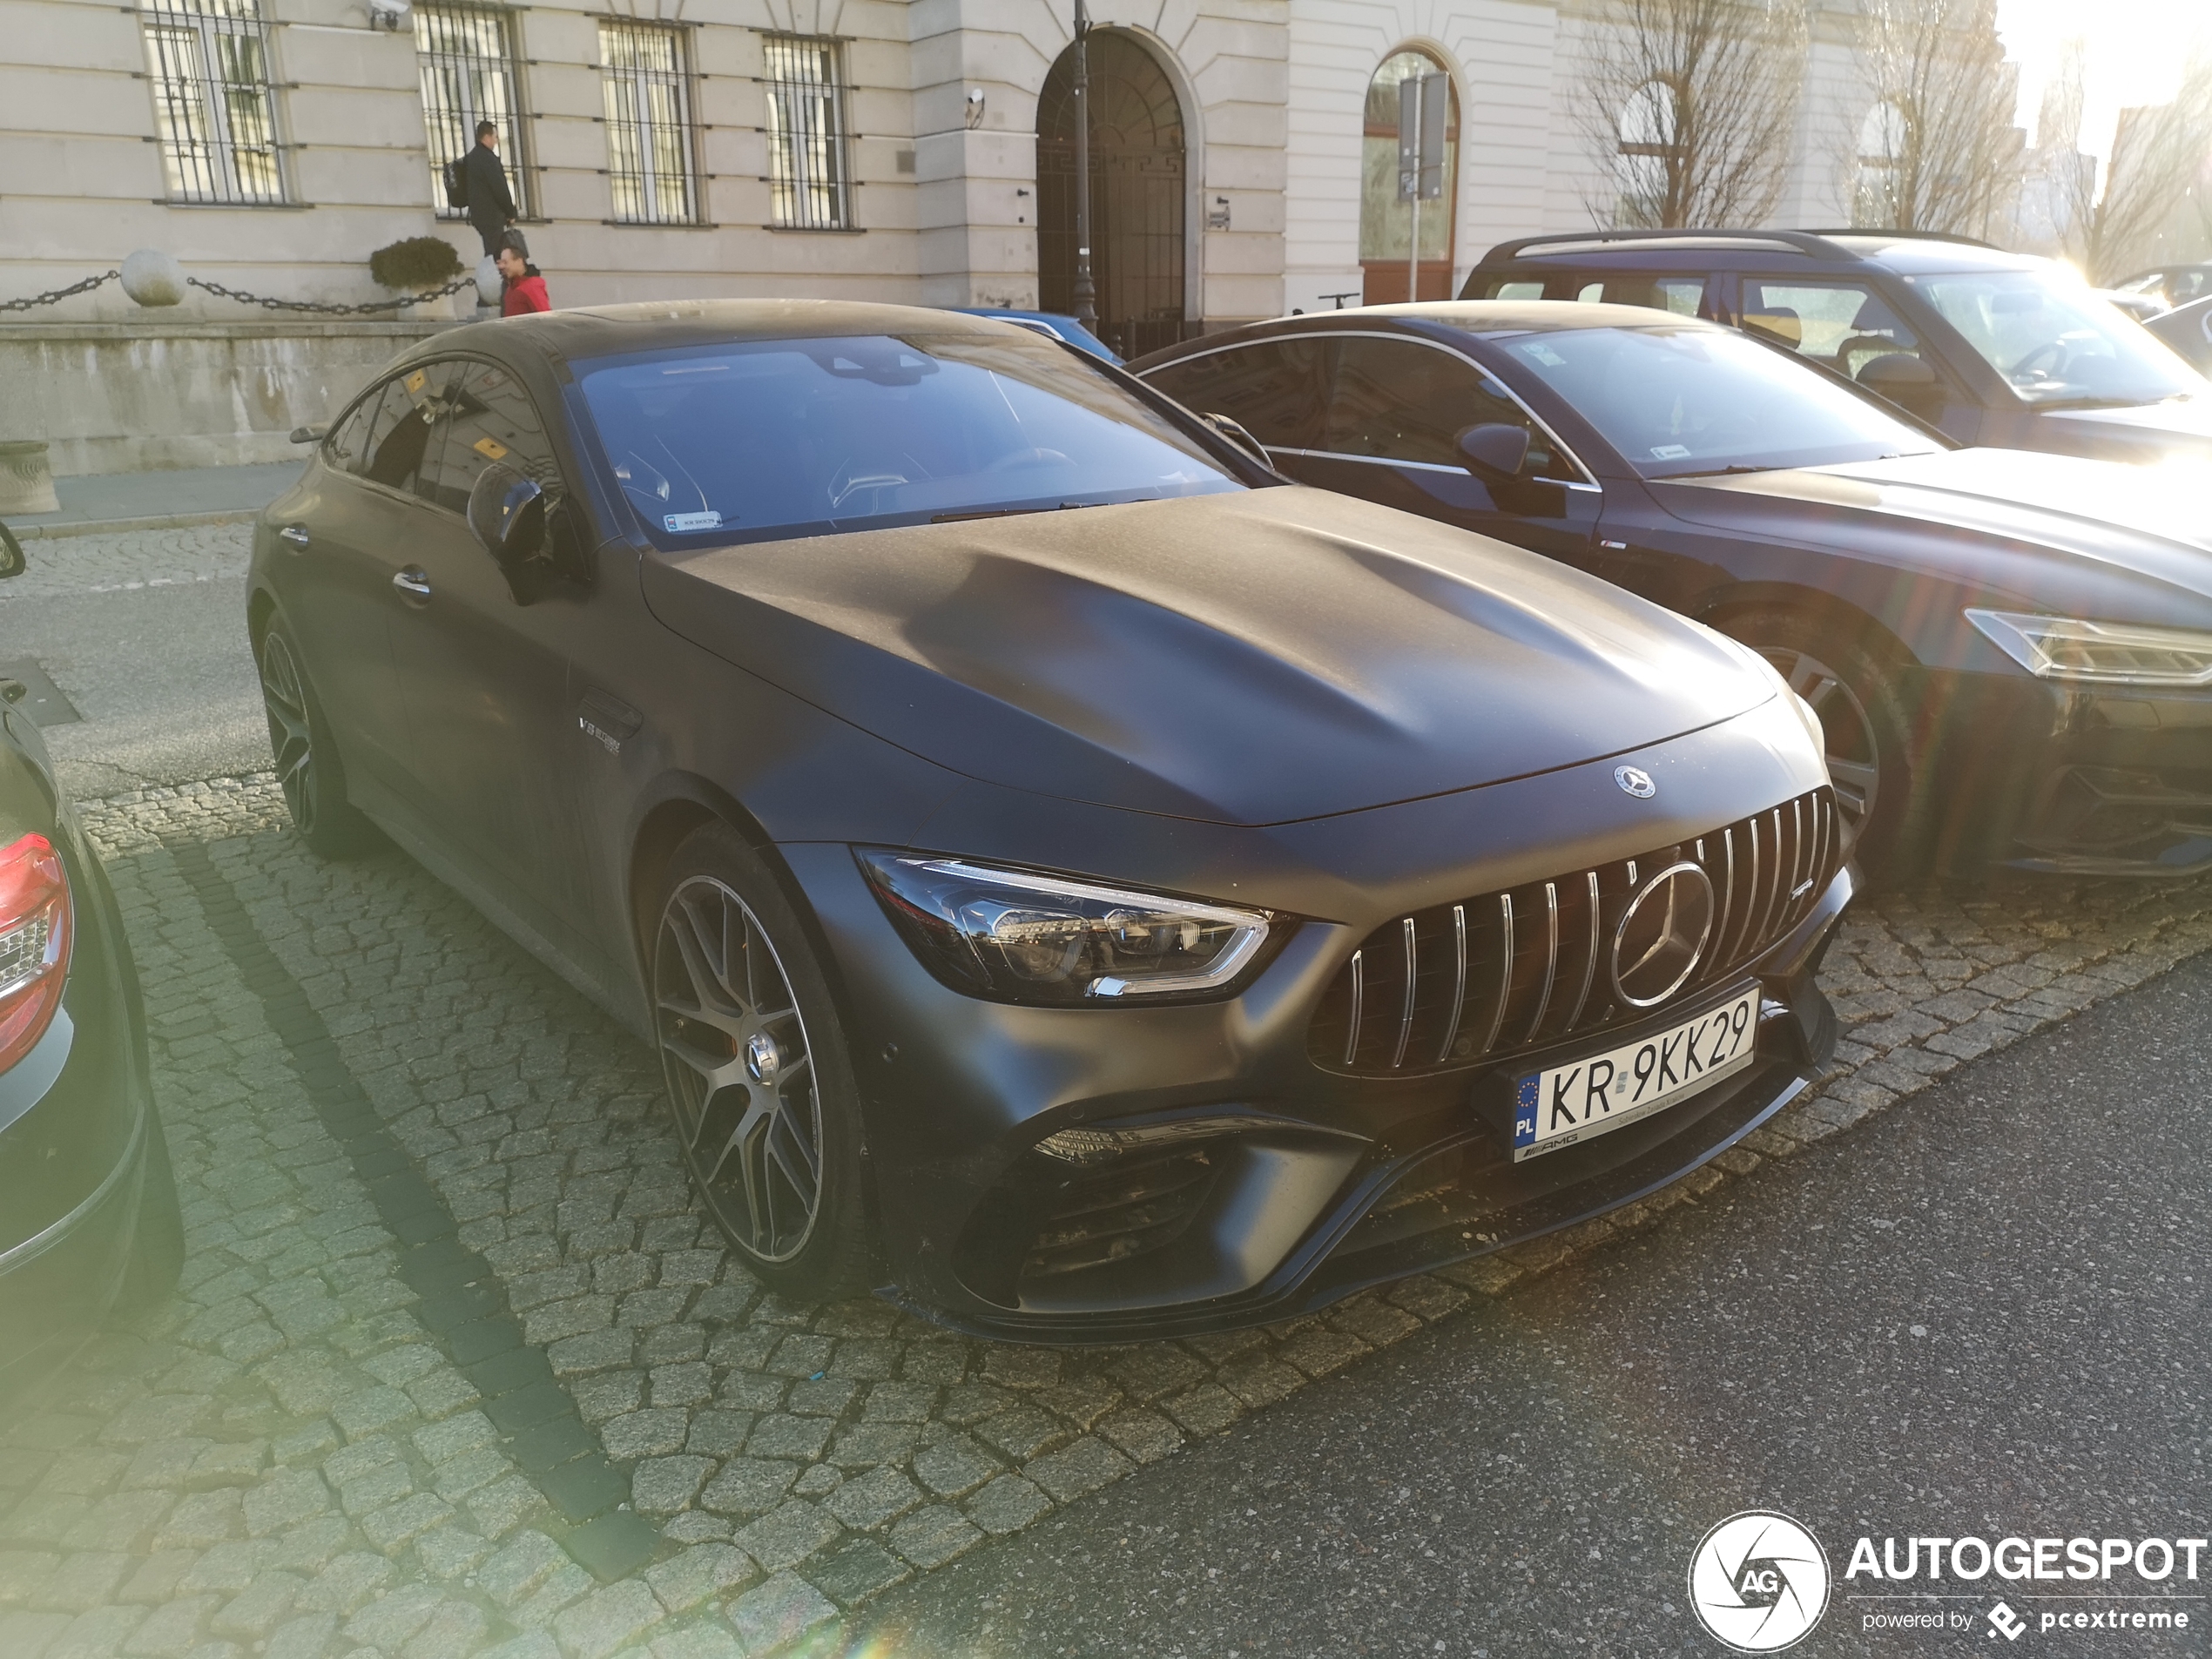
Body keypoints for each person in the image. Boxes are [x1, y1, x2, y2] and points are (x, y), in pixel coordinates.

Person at [462, 120, 518, 259]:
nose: (496, 141)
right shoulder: (487, 158)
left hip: (479, 215)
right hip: (491, 216)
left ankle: (492, 278)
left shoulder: (473, 157)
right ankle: (493, 280)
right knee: (496, 256)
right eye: (495, 137)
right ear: (487, 137)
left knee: (492, 253)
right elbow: (499, 188)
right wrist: (510, 212)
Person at [496, 236, 550, 315]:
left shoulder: (531, 287)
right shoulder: (510, 289)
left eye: (505, 262)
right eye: (500, 263)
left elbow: (545, 318)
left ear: (519, 261)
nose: (501, 267)